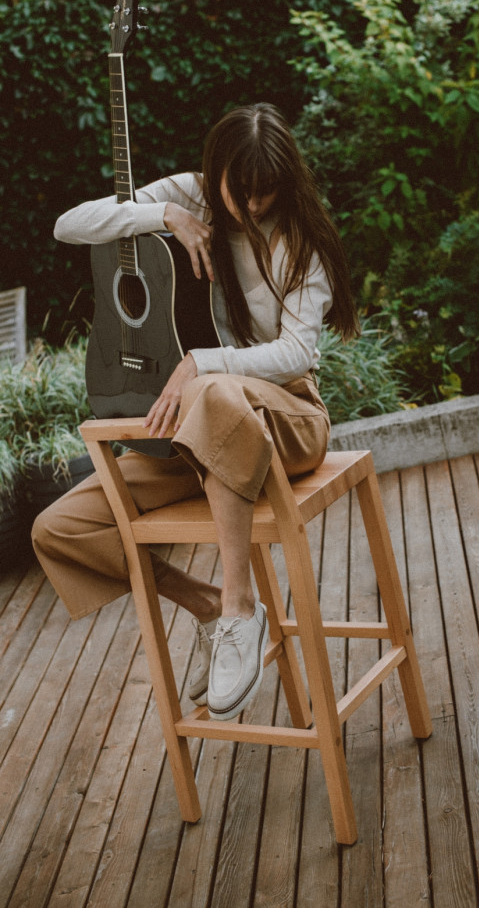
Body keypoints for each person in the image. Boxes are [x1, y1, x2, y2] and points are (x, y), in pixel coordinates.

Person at [33, 103, 359, 722]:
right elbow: (69, 224)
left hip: (287, 421)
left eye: (268, 192)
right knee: (61, 530)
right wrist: (168, 215)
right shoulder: (193, 194)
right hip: (195, 440)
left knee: (211, 392)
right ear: (218, 173)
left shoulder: (300, 240)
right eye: (244, 191)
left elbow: (298, 351)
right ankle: (207, 604)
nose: (255, 206)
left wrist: (203, 365)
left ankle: (241, 608)